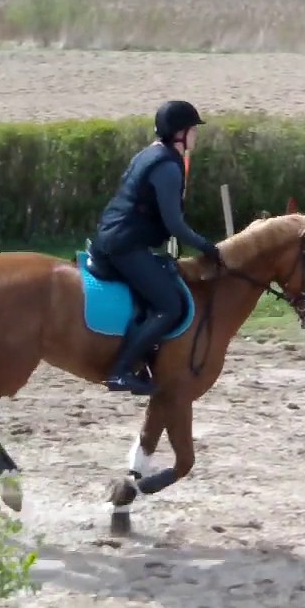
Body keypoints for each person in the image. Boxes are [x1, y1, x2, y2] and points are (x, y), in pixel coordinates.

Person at [89, 100, 223, 395]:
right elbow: (175, 224)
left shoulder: (152, 154)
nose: (195, 137)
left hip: (118, 237)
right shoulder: (167, 168)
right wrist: (207, 247)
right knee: (170, 305)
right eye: (193, 130)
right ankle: (121, 371)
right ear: (180, 133)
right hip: (125, 244)